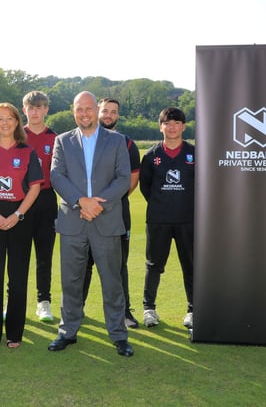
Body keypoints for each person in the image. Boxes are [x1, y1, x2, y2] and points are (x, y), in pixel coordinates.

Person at [47, 91, 134, 357]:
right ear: (73, 111)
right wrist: (81, 201)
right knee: (71, 282)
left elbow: (123, 178)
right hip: (73, 220)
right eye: (78, 109)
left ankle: (118, 335)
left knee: (112, 282)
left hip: (105, 220)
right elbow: (56, 176)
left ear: (96, 110)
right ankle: (67, 332)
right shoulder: (62, 141)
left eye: (88, 108)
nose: (84, 113)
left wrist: (98, 204)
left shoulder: (117, 141)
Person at [0, 102, 42, 348]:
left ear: (16, 122)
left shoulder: (27, 151)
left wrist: (19, 215)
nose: (4, 123)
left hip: (20, 217)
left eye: (9, 118)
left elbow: (35, 186)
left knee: (17, 277)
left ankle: (14, 333)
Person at [82, 97, 141, 328]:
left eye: (113, 112)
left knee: (117, 265)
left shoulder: (126, 144)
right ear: (97, 111)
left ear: (118, 116)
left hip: (116, 213)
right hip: (83, 213)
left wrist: (103, 203)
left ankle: (124, 313)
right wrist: (89, 205)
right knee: (83, 264)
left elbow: (131, 182)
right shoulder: (84, 140)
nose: (108, 115)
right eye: (105, 110)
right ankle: (77, 310)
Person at [139, 107, 195, 329]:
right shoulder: (152, 155)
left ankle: (193, 310)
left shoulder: (194, 153)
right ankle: (149, 309)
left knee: (190, 266)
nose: (172, 127)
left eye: (176, 123)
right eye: (167, 123)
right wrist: (161, 205)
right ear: (160, 126)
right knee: (153, 265)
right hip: (158, 219)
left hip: (188, 220)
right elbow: (146, 187)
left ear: (183, 126)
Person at [21, 91, 58, 323]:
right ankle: (14, 301)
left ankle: (43, 301)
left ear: (46, 110)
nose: (35, 112)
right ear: (24, 110)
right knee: (18, 255)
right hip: (20, 202)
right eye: (31, 108)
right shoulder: (15, 136)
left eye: (39, 107)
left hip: (46, 200)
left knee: (44, 255)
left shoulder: (56, 138)